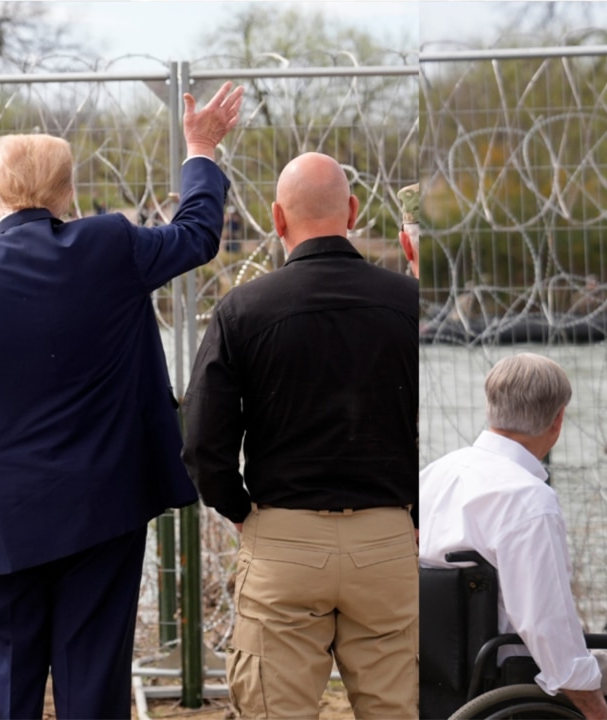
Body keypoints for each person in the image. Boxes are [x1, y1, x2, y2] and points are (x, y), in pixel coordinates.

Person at [0, 82, 244, 719]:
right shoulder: (110, 246)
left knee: (5, 693)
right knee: (94, 691)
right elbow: (198, 234)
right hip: (103, 511)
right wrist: (199, 147)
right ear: (67, 191)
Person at [182, 151, 419, 719]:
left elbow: (202, 443)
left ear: (277, 219)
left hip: (282, 536)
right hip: (388, 536)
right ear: (354, 212)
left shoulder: (242, 309)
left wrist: (242, 511)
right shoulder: (409, 305)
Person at [420, 353, 607, 720]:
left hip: (437, 673)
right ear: (557, 420)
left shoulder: (435, 474)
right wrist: (596, 712)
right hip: (510, 672)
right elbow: (545, 628)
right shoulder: (528, 500)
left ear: (490, 406)